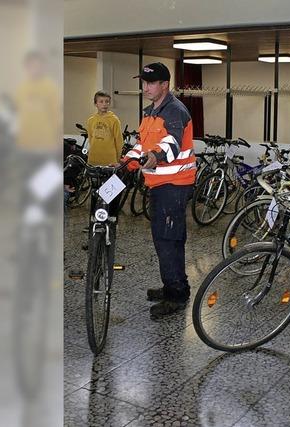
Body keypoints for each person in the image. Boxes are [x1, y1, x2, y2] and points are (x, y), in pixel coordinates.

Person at [123, 62, 197, 318]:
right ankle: (174, 286)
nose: (145, 87)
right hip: (158, 185)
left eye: (151, 82)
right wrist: (125, 162)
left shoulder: (175, 111)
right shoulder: (149, 112)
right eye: (143, 82)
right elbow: (142, 144)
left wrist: (156, 156)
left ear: (165, 85)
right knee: (165, 238)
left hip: (173, 185)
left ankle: (176, 296)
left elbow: (171, 144)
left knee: (168, 239)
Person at [86, 90, 124, 166]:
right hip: (93, 159)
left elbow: (119, 141)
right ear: (95, 104)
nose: (104, 104)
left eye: (107, 102)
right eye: (101, 101)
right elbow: (90, 139)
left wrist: (118, 159)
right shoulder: (91, 121)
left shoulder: (114, 120)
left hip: (110, 161)